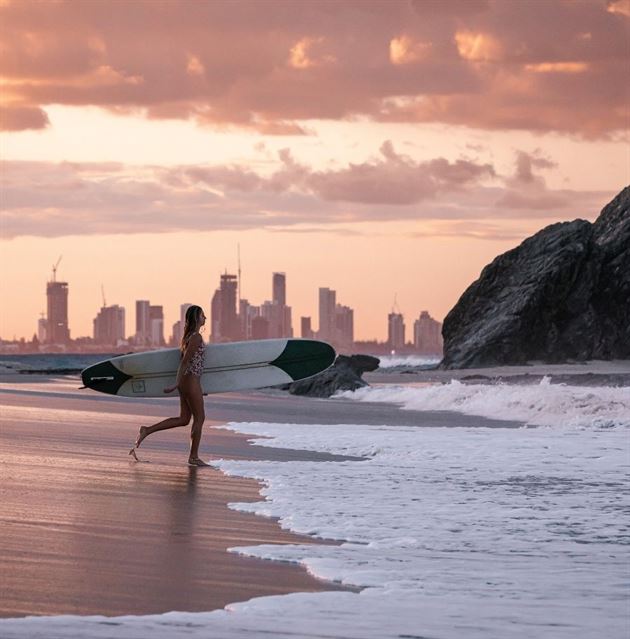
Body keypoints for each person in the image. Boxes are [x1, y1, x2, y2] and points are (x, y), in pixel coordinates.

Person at [129, 305, 208, 466]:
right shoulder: (196, 338)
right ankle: (193, 457)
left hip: (188, 382)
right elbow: (185, 362)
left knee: (184, 419)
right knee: (199, 418)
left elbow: (189, 362)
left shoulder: (187, 338)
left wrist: (181, 384)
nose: (205, 318)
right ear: (195, 319)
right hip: (191, 382)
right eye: (202, 316)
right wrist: (176, 383)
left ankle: (147, 430)